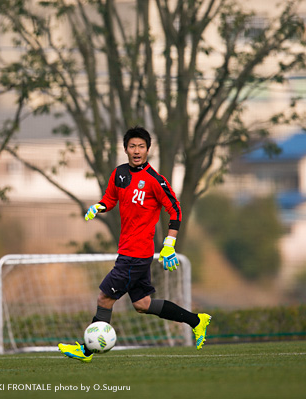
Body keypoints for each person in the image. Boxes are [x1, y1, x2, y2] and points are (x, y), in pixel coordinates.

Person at [58, 126, 211, 362]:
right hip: (130, 251)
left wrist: (169, 244)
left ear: (148, 150)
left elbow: (176, 210)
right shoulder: (119, 174)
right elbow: (110, 198)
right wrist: (98, 206)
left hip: (135, 254)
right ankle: (196, 321)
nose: (136, 151)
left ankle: (87, 351)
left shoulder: (155, 181)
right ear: (125, 149)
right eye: (132, 146)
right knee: (142, 303)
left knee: (104, 299)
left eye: (141, 146)